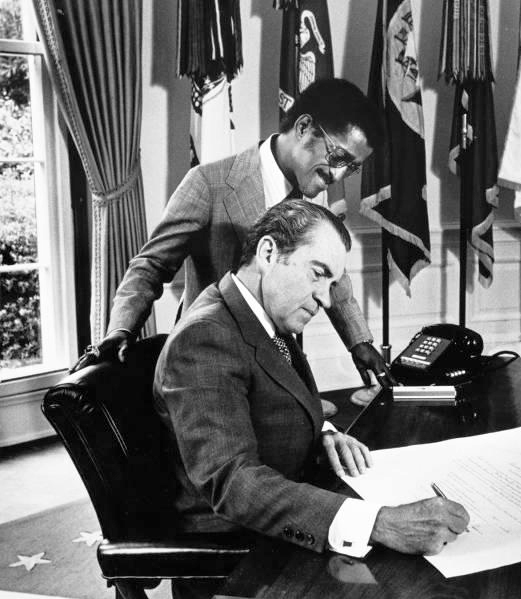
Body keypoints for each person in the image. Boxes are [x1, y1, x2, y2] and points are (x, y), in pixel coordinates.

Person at [154, 200, 469, 599]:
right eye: (318, 274)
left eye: (331, 283)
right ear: (269, 253)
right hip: (240, 560)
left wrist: (322, 432)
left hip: (280, 526)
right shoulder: (206, 337)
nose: (325, 299)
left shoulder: (261, 316)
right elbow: (233, 482)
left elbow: (269, 401)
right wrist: (379, 523)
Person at [77, 78, 396, 402]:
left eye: (351, 168)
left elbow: (332, 276)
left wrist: (359, 341)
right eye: (338, 157)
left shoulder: (312, 197)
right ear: (303, 128)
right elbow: (151, 265)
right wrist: (121, 329)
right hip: (209, 370)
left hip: (279, 374)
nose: (338, 176)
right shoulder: (209, 183)